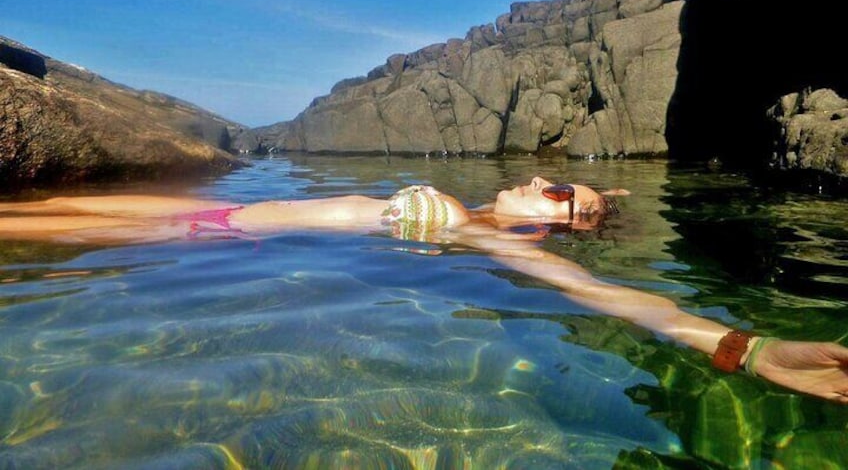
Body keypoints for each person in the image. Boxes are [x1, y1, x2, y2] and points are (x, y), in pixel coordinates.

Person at [2, 177, 847, 403]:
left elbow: (622, 301)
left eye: (563, 198)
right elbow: (600, 218)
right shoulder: (479, 211)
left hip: (201, 235)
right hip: (212, 211)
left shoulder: (496, 242)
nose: (546, 181)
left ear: (555, 229)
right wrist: (608, 200)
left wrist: (749, 346)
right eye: (557, 180)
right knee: (33, 208)